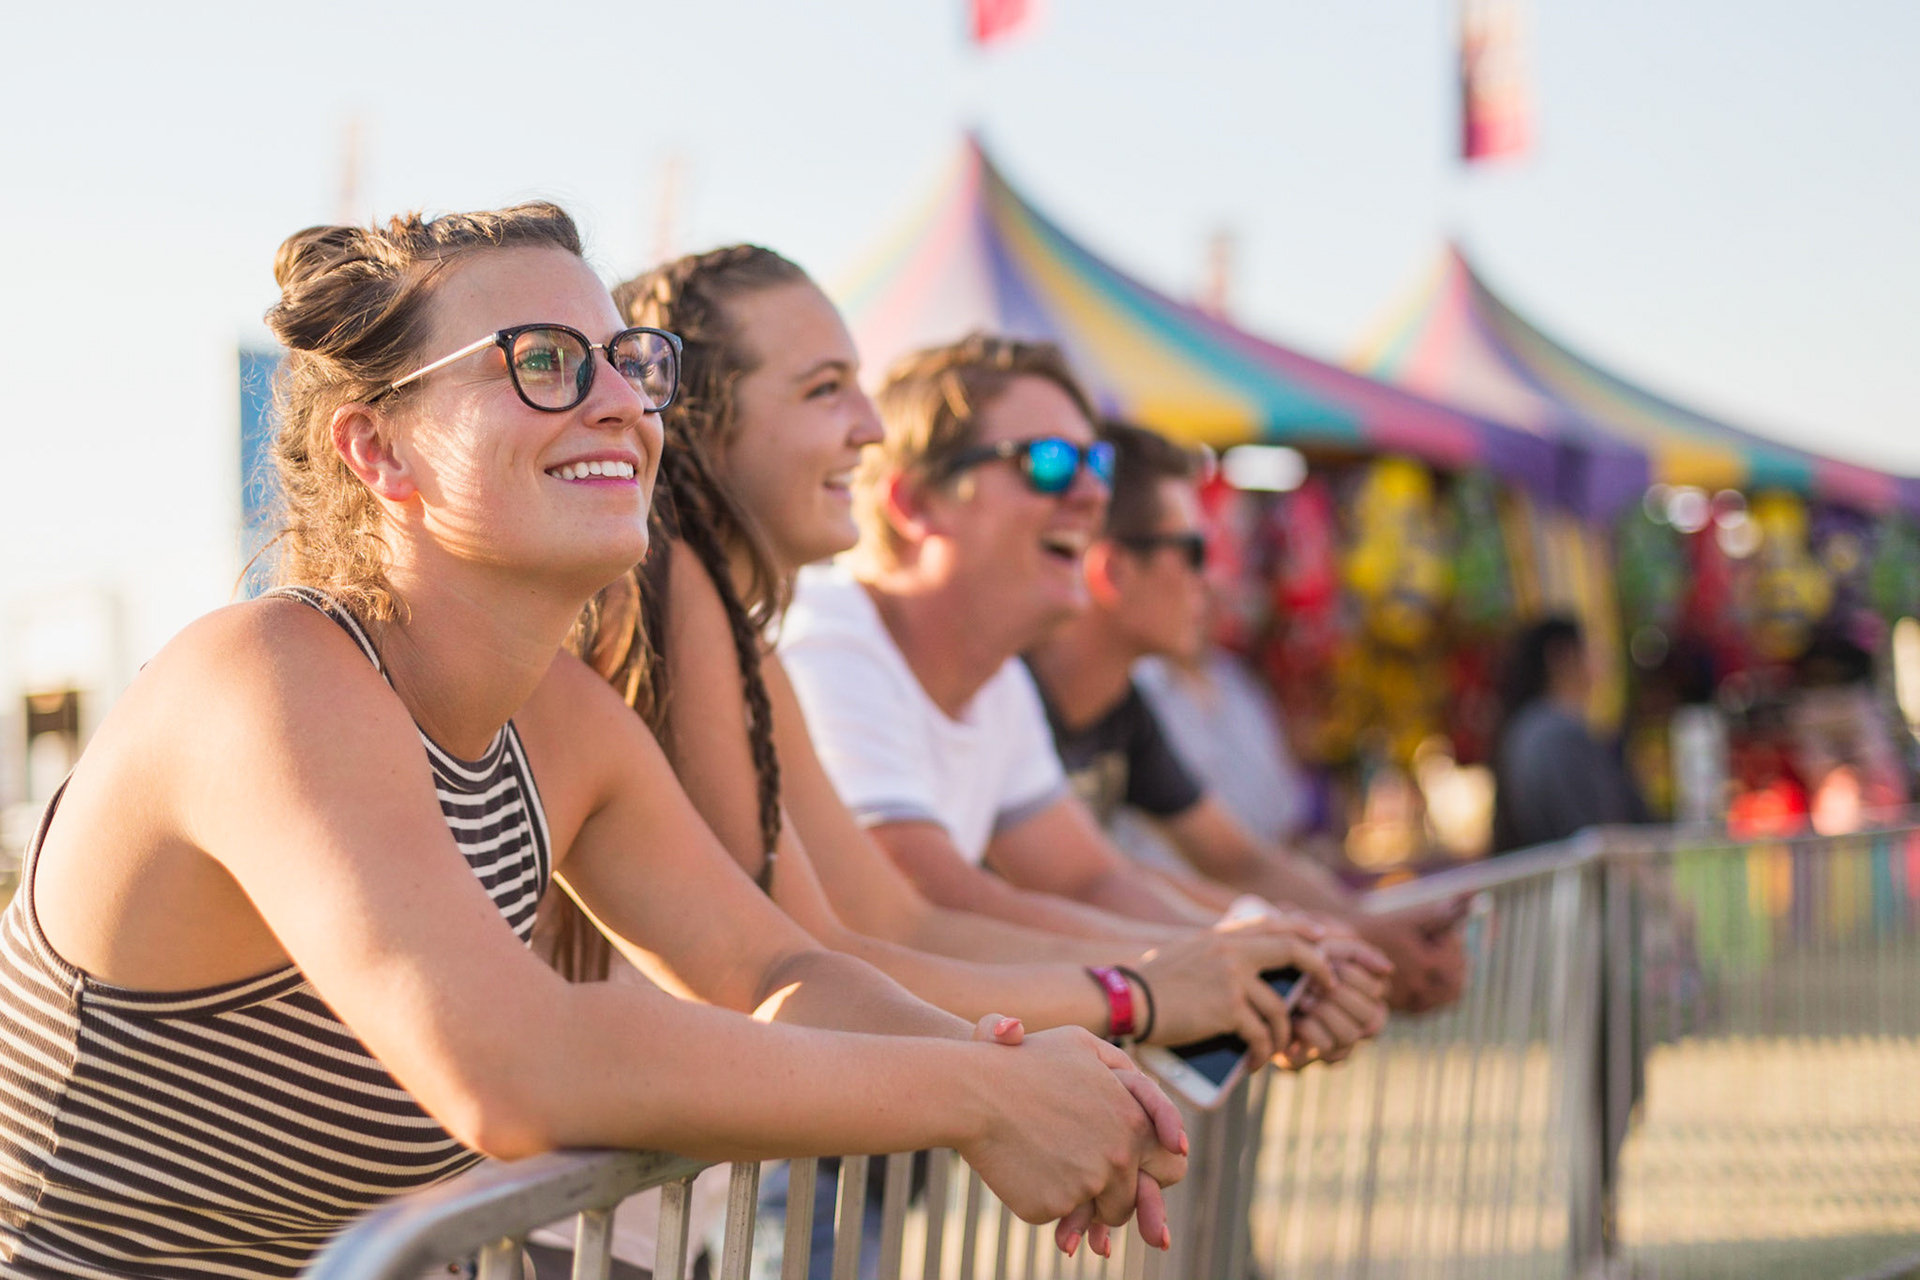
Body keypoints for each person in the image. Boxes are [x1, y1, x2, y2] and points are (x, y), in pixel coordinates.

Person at [0, 206, 1185, 1279]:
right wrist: (982, 1092)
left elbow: (781, 970)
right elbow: (515, 1064)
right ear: (378, 449)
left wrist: (1023, 1066)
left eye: (630, 361)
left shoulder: (560, 719)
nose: (620, 399)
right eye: (547, 364)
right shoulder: (262, 677)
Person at [589, 249, 1387, 1277]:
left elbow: (872, 933)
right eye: (825, 388)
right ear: (695, 420)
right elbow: (843, 944)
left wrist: (1228, 966)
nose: (866, 427)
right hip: (575, 1226)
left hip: (651, 1218)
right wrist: (1136, 997)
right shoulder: (723, 606)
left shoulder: (734, 629)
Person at [1024, 423, 1467, 1012]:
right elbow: (1084, 887)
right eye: (1195, 553)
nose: (1215, 581)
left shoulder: (1121, 706)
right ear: (1114, 570)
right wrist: (1323, 945)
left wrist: (1361, 931)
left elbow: (1235, 857)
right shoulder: (1014, 698)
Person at [1491, 615, 1648, 851]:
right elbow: (1596, 830)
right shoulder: (1558, 734)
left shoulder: (1524, 729)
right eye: (1590, 648)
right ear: (1561, 656)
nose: (1602, 658)